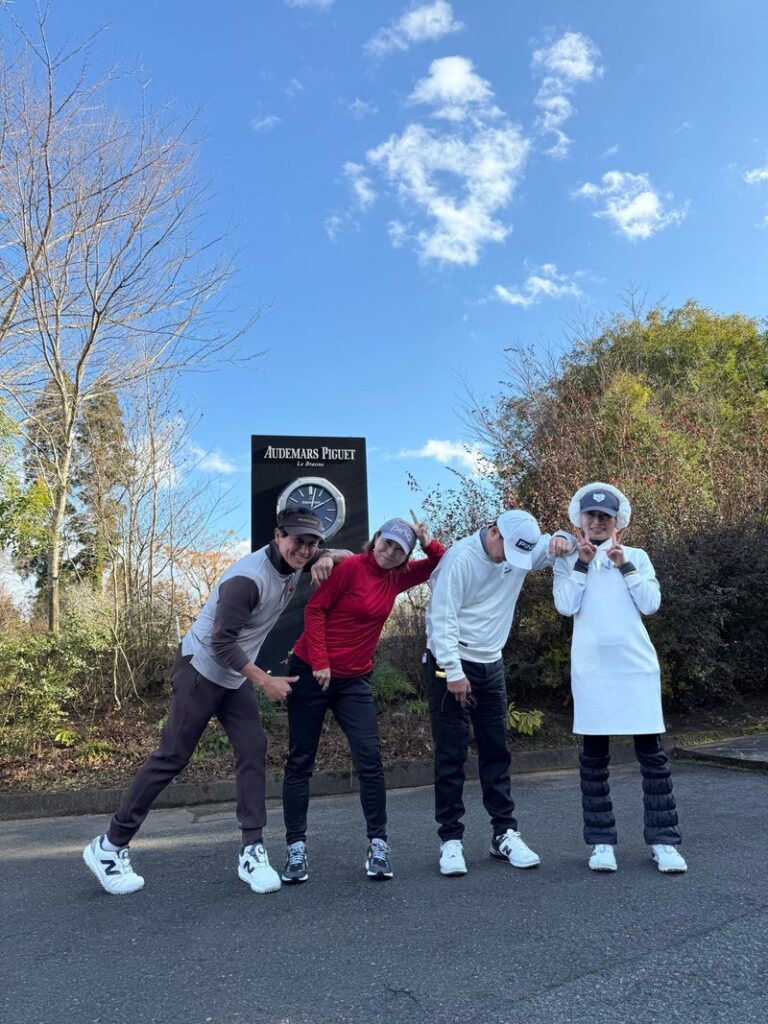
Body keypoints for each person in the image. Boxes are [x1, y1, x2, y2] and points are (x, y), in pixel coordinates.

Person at [83, 508, 349, 896]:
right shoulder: (247, 580)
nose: (305, 550)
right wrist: (265, 681)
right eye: (298, 541)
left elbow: (348, 556)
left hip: (232, 675)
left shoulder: (297, 561)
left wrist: (329, 555)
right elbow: (221, 642)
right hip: (202, 668)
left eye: (312, 544)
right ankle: (109, 846)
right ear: (278, 536)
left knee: (253, 746)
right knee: (172, 755)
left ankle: (252, 850)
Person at [281, 512, 444, 883]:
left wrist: (426, 539)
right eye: (387, 543)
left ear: (405, 556)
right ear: (376, 539)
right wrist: (320, 662)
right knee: (301, 761)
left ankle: (378, 844)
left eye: (399, 549)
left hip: (354, 680)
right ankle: (295, 847)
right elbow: (315, 609)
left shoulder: (398, 577)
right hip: (312, 672)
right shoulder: (351, 567)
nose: (390, 552)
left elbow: (440, 562)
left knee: (370, 760)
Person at [424, 510, 574, 877]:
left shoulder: (519, 549)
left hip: (491, 664)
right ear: (494, 531)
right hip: (450, 663)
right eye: (507, 549)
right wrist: (454, 673)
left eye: (519, 554)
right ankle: (450, 840)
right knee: (451, 754)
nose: (511, 559)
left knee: (496, 751)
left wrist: (565, 538)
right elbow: (441, 618)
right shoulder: (460, 559)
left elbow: (559, 546)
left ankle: (503, 834)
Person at [552, 482, 687, 874]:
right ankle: (601, 843)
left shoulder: (638, 556)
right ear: (580, 520)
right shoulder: (568, 560)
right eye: (591, 515)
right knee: (594, 761)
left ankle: (664, 842)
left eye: (605, 517)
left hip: (636, 669)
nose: (597, 522)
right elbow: (565, 606)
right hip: (591, 672)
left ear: (617, 522)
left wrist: (624, 564)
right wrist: (581, 562)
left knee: (653, 759)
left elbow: (651, 604)